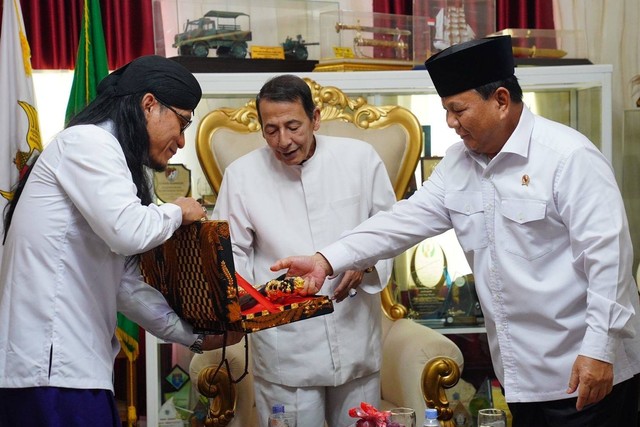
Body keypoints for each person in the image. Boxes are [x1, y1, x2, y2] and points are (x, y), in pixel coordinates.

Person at [272, 36, 640, 427]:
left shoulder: (569, 157)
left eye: (457, 109)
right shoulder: (458, 165)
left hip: (587, 370)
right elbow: (400, 222)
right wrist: (325, 259)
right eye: (447, 109)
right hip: (521, 375)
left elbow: (609, 262)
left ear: (500, 100)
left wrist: (600, 351)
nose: (450, 122)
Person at [0, 55, 242, 427]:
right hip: (49, 371)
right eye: (182, 122)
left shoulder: (103, 153)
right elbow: (129, 231)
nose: (180, 140)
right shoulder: (88, 142)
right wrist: (180, 210)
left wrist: (194, 338)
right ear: (149, 104)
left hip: (73, 370)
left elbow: (127, 284)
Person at [211, 74, 396, 427]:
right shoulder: (242, 175)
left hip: (354, 331)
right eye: (271, 130)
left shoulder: (359, 158)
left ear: (315, 117)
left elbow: (388, 229)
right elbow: (229, 253)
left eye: (293, 126)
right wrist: (260, 301)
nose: (284, 141)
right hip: (286, 346)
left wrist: (364, 263)